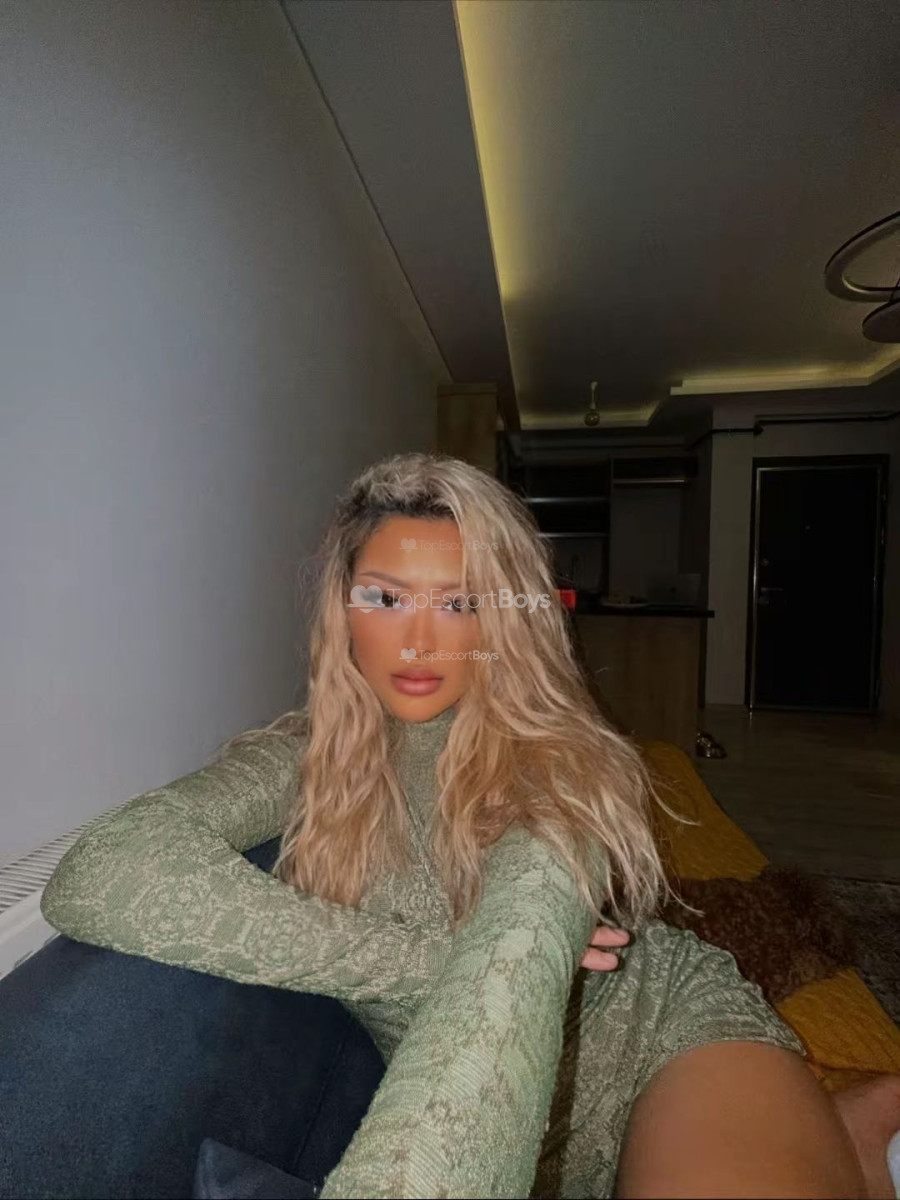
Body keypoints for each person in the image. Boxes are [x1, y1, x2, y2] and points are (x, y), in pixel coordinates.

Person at [42, 452, 895, 1198]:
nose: (419, 641)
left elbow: (514, 968)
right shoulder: (302, 756)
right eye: (386, 597)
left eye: (460, 604)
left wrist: (495, 957)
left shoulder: (556, 761)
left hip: (660, 1043)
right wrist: (434, 958)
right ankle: (849, 1129)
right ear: (343, 607)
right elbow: (100, 872)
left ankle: (828, 1121)